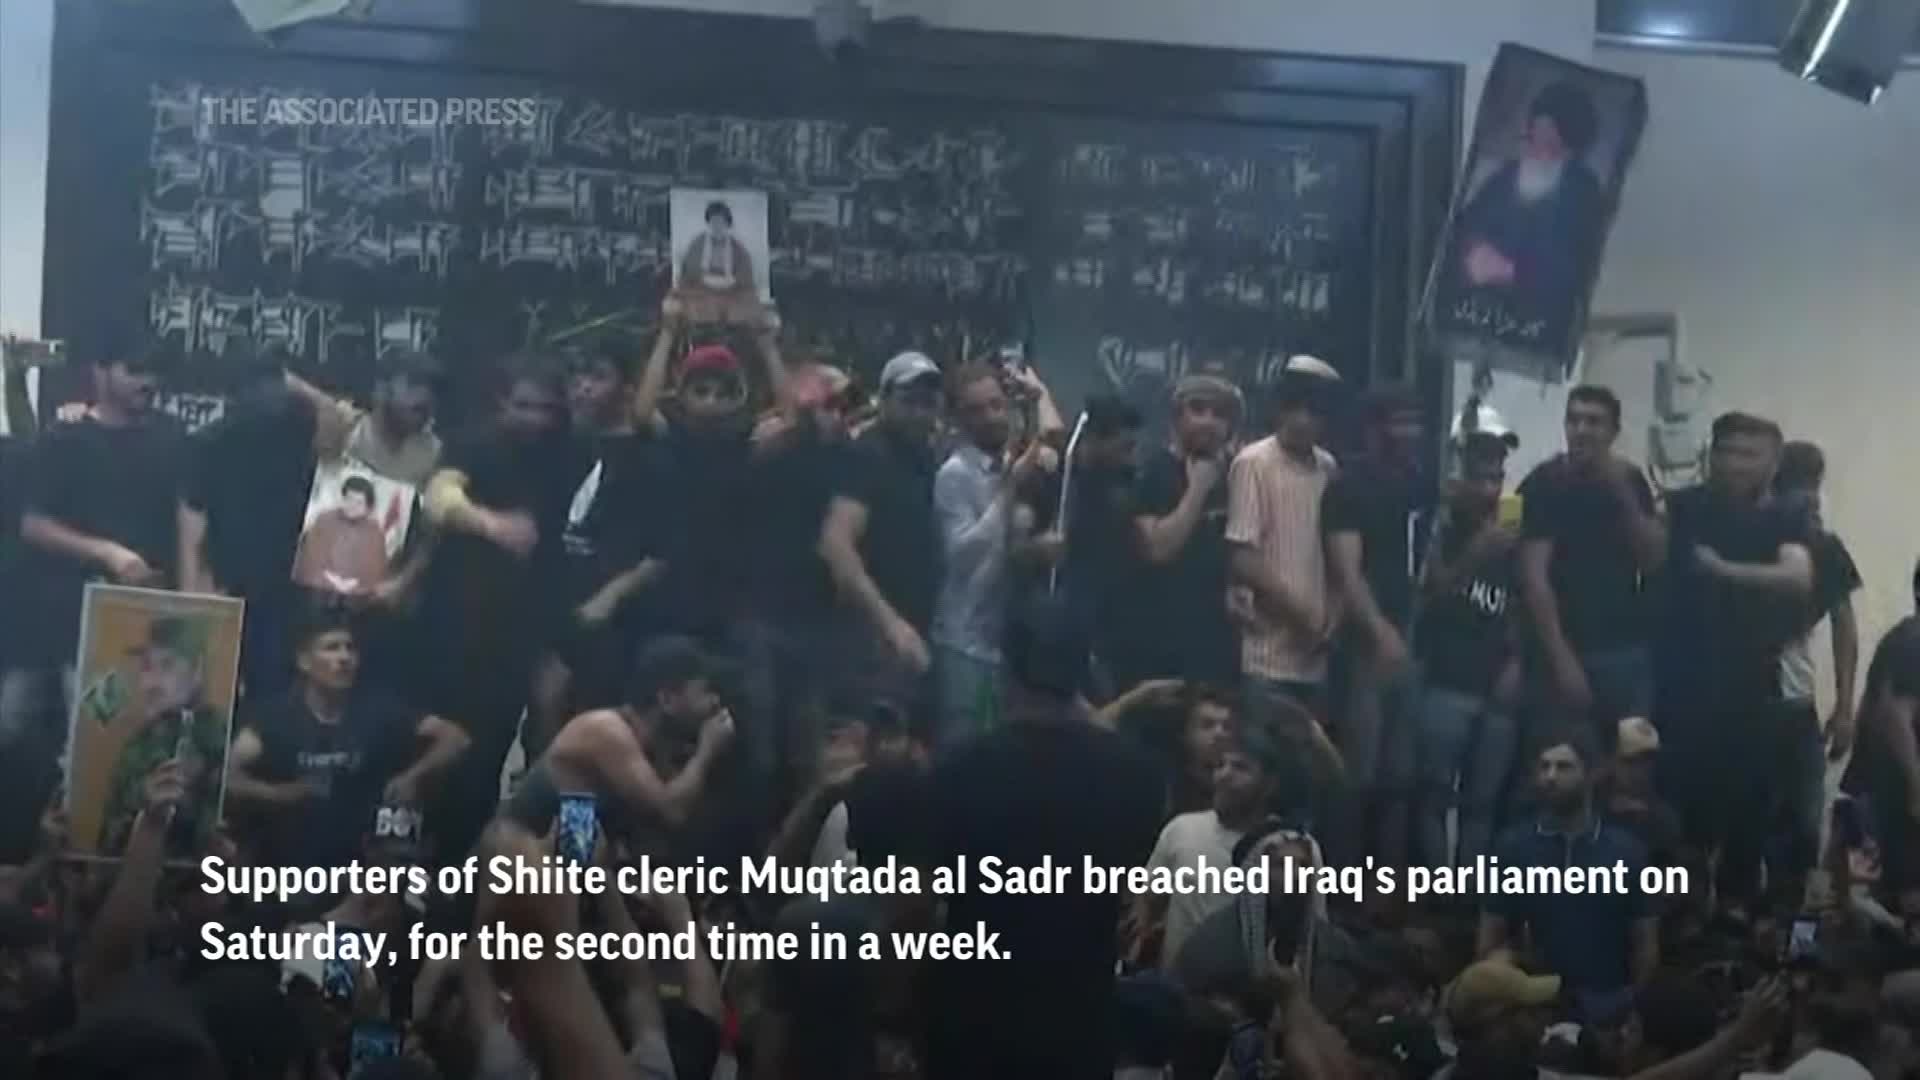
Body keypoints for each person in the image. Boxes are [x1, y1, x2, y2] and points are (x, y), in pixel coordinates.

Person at [922, 592, 1165, 1079]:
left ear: (1006, 668)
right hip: (1079, 1030)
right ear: (1085, 671)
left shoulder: (956, 770)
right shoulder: (1138, 777)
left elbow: (924, 901)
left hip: (971, 1029)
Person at [415, 351, 579, 860]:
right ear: (501, 402)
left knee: (526, 763)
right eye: (524, 405)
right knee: (458, 761)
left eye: (546, 408)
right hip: (461, 634)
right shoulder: (475, 444)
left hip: (531, 634)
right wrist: (494, 526)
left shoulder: (567, 451)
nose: (535, 418)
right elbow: (439, 496)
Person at [1656, 412, 1811, 910]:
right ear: (1711, 454)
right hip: (1681, 687)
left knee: (1748, 823)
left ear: (1773, 463)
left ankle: (1734, 933)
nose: (1736, 463)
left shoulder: (1785, 517)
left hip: (1750, 691)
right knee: (1679, 826)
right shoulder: (1683, 508)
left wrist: (1722, 570)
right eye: (1728, 450)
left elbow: (1798, 577)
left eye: (1750, 453)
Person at [6, 343, 187, 750]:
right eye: (136, 369)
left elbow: (189, 519)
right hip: (67, 618)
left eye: (155, 370)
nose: (149, 381)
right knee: (20, 727)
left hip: (142, 619)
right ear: (100, 372)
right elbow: (33, 525)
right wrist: (107, 552)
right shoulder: (66, 437)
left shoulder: (173, 436)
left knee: (95, 746)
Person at [225, 607, 468, 876]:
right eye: (331, 648)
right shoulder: (276, 718)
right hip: (290, 863)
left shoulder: (377, 710)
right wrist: (280, 794)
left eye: (350, 649)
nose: (344, 657)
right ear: (304, 661)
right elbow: (226, 778)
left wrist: (413, 777)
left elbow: (455, 738)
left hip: (362, 865)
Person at [528, 339, 668, 754]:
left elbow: (665, 551)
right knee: (543, 728)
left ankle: (579, 822)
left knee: (593, 741)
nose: (583, 387)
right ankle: (535, 817)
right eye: (577, 377)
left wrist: (610, 597)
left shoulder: (653, 459)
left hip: (615, 626)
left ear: (627, 388)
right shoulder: (559, 446)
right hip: (555, 615)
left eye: (598, 376)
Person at [1478, 726, 1658, 1025]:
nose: (1550, 777)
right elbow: (1489, 939)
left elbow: (1645, 946)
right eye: (1544, 767)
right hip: (1534, 1006)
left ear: (1591, 774)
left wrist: (1633, 1009)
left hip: (1608, 1005)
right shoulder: (1513, 847)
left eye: (1563, 767)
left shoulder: (1628, 852)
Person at [1517, 385, 1665, 736]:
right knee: (1563, 760)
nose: (1581, 430)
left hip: (1624, 646)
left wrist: (1624, 496)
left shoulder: (1630, 479)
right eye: (1574, 420)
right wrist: (1561, 657)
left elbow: (1654, 559)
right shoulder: (1545, 482)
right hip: (1565, 645)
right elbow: (1533, 579)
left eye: (1594, 422)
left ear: (1613, 432)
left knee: (1630, 766)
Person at [1323, 384, 1429, 867]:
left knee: (1402, 774)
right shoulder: (1349, 485)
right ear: (1373, 428)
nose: (1409, 431)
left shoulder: (1417, 480)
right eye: (1399, 421)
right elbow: (1347, 570)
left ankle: (1388, 889)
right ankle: (1347, 887)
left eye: (1414, 421)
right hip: (1367, 641)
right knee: (1358, 772)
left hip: (1413, 635)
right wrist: (1380, 631)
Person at [930, 361, 1059, 746]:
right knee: (961, 748)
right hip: (963, 639)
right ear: (957, 419)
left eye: (996, 405)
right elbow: (962, 553)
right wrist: (1007, 490)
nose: (990, 417)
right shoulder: (955, 474)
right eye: (976, 410)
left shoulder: (1011, 461)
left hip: (1003, 638)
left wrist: (1038, 394)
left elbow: (1054, 439)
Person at [1226, 358, 1340, 795]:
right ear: (1279, 409)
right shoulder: (1253, 462)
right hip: (1266, 658)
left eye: (1314, 411)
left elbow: (1339, 553)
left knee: (1308, 785)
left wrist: (1332, 618)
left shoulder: (1329, 469)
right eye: (1295, 407)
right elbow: (1244, 558)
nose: (1303, 420)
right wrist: (1304, 619)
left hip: (1317, 659)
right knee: (1260, 779)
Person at [505, 635, 737, 837]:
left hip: (561, 859)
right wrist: (706, 753)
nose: (715, 702)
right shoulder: (606, 731)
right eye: (706, 691)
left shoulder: (649, 748)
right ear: (667, 699)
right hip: (514, 856)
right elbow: (670, 812)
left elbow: (580, 848)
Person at [1415, 430, 1521, 868]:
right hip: (1445, 680)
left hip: (1498, 685)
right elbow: (1425, 598)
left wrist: (1516, 663)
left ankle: (1473, 902)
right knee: (1433, 797)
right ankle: (1437, 895)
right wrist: (1473, 557)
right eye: (1480, 477)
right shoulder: (1437, 527)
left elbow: (1526, 602)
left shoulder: (1513, 530)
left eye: (1497, 477)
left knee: (1484, 803)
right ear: (1458, 477)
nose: (1490, 489)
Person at [818, 351, 944, 711]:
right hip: (870, 639)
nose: (920, 411)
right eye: (908, 401)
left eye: (928, 401)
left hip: (918, 630)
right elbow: (835, 544)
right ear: (884, 400)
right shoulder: (867, 455)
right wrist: (890, 624)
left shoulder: (926, 459)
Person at [1769, 439, 1862, 905]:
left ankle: (1792, 940)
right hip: (1741, 705)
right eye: (1796, 487)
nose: (1806, 498)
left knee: (1804, 830)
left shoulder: (1823, 547)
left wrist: (1845, 708)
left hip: (1795, 704)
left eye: (1812, 487)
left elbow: (1845, 625)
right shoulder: (1750, 539)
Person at [1445, 81, 1607, 348]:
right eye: (1534, 139)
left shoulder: (1584, 196)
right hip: (1477, 315)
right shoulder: (1508, 176)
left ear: (1571, 150)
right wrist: (1473, 251)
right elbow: (1463, 228)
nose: (1537, 152)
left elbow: (1573, 273)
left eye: (1550, 145)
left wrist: (1511, 271)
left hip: (1535, 328)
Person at [1124, 373, 1242, 692]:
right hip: (1159, 646)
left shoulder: (1234, 477)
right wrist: (1198, 489)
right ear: (1177, 417)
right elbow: (1157, 549)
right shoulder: (1153, 471)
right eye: (1198, 409)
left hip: (1216, 646)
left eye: (1219, 414)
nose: (1208, 421)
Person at [1135, 724, 1280, 970]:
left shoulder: (1289, 847)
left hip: (1252, 995)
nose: (1223, 775)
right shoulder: (1182, 829)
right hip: (1177, 993)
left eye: (1240, 767)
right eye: (1220, 765)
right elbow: (1148, 902)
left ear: (1269, 785)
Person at [93, 616, 229, 858]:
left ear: (196, 670)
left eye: (167, 666)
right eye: (146, 667)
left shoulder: (225, 739)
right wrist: (142, 807)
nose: (151, 684)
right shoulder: (137, 746)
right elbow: (106, 846)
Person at [1840, 590, 1920, 917]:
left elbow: (1871, 708)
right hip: (1898, 792)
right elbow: (1893, 712)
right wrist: (1916, 786)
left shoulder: (1902, 638)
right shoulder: (1913, 641)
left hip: (1883, 787)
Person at [342, 349, 442, 487]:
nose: (423, 396)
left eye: (431, 388)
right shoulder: (344, 432)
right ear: (382, 390)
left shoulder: (431, 453)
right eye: (413, 384)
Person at [290, 475, 392, 596]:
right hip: (317, 588)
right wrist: (330, 579)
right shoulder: (324, 519)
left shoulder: (375, 533)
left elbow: (376, 570)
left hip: (355, 596)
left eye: (359, 502)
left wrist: (354, 584)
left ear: (368, 507)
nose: (352, 505)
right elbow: (310, 555)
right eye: (349, 499)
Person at [678, 199, 759, 300]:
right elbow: (688, 270)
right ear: (709, 223)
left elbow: (745, 275)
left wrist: (732, 281)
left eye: (721, 222)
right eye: (714, 222)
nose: (717, 226)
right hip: (702, 288)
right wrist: (703, 278)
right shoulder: (698, 243)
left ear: (727, 224)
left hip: (730, 290)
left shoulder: (737, 247)